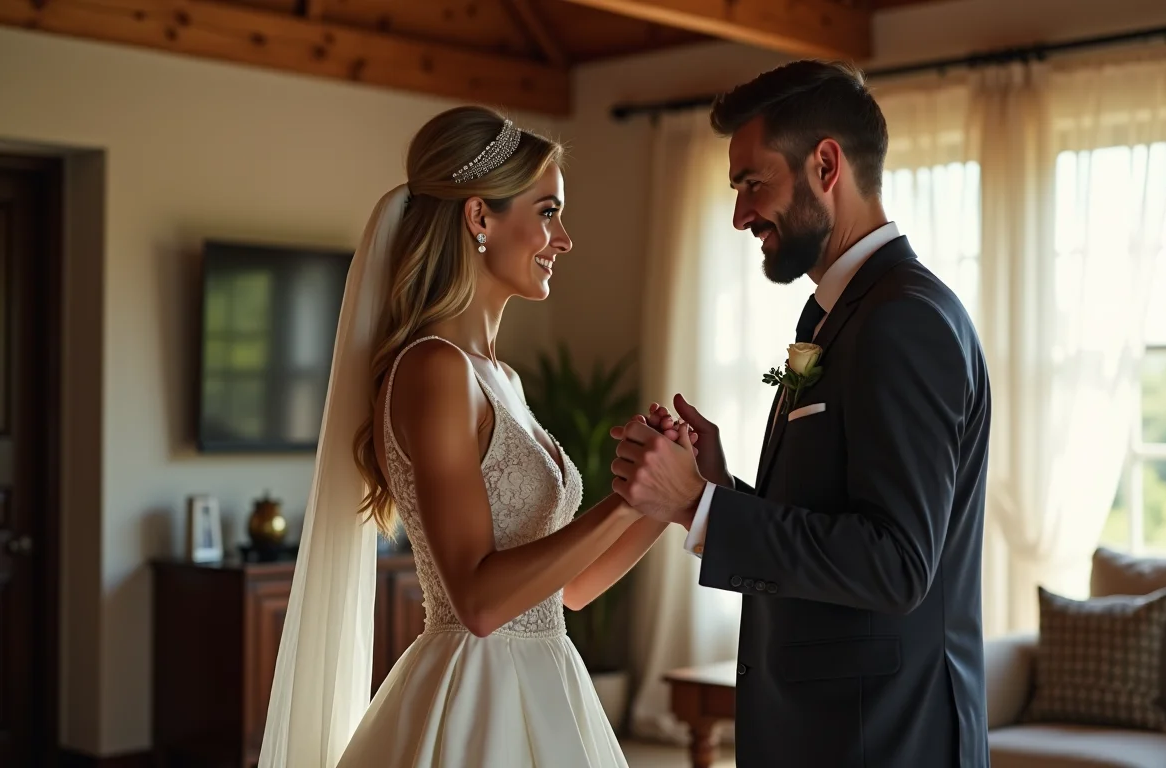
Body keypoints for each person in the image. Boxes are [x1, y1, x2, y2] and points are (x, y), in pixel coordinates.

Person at [259, 106, 689, 768]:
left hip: (549, 683)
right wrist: (628, 500)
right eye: (548, 211)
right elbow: (481, 604)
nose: (564, 239)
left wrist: (664, 495)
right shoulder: (434, 370)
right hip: (475, 702)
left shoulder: (502, 379)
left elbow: (566, 591)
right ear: (479, 218)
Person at [610, 60, 993, 767]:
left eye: (753, 183)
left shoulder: (903, 319)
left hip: (882, 741)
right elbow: (839, 522)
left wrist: (701, 509)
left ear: (825, 165)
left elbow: (897, 565)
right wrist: (719, 487)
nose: (739, 214)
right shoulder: (838, 316)